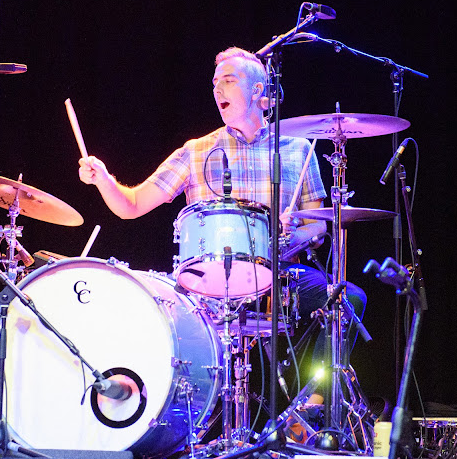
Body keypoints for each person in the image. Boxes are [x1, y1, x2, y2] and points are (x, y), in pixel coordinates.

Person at [78, 47, 366, 390]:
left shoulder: (297, 149)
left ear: (259, 91)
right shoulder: (197, 149)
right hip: (209, 284)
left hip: (281, 276)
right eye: (214, 84)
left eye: (228, 81)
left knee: (348, 299)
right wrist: (104, 179)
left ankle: (313, 406)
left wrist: (297, 234)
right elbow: (133, 204)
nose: (217, 90)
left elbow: (318, 224)